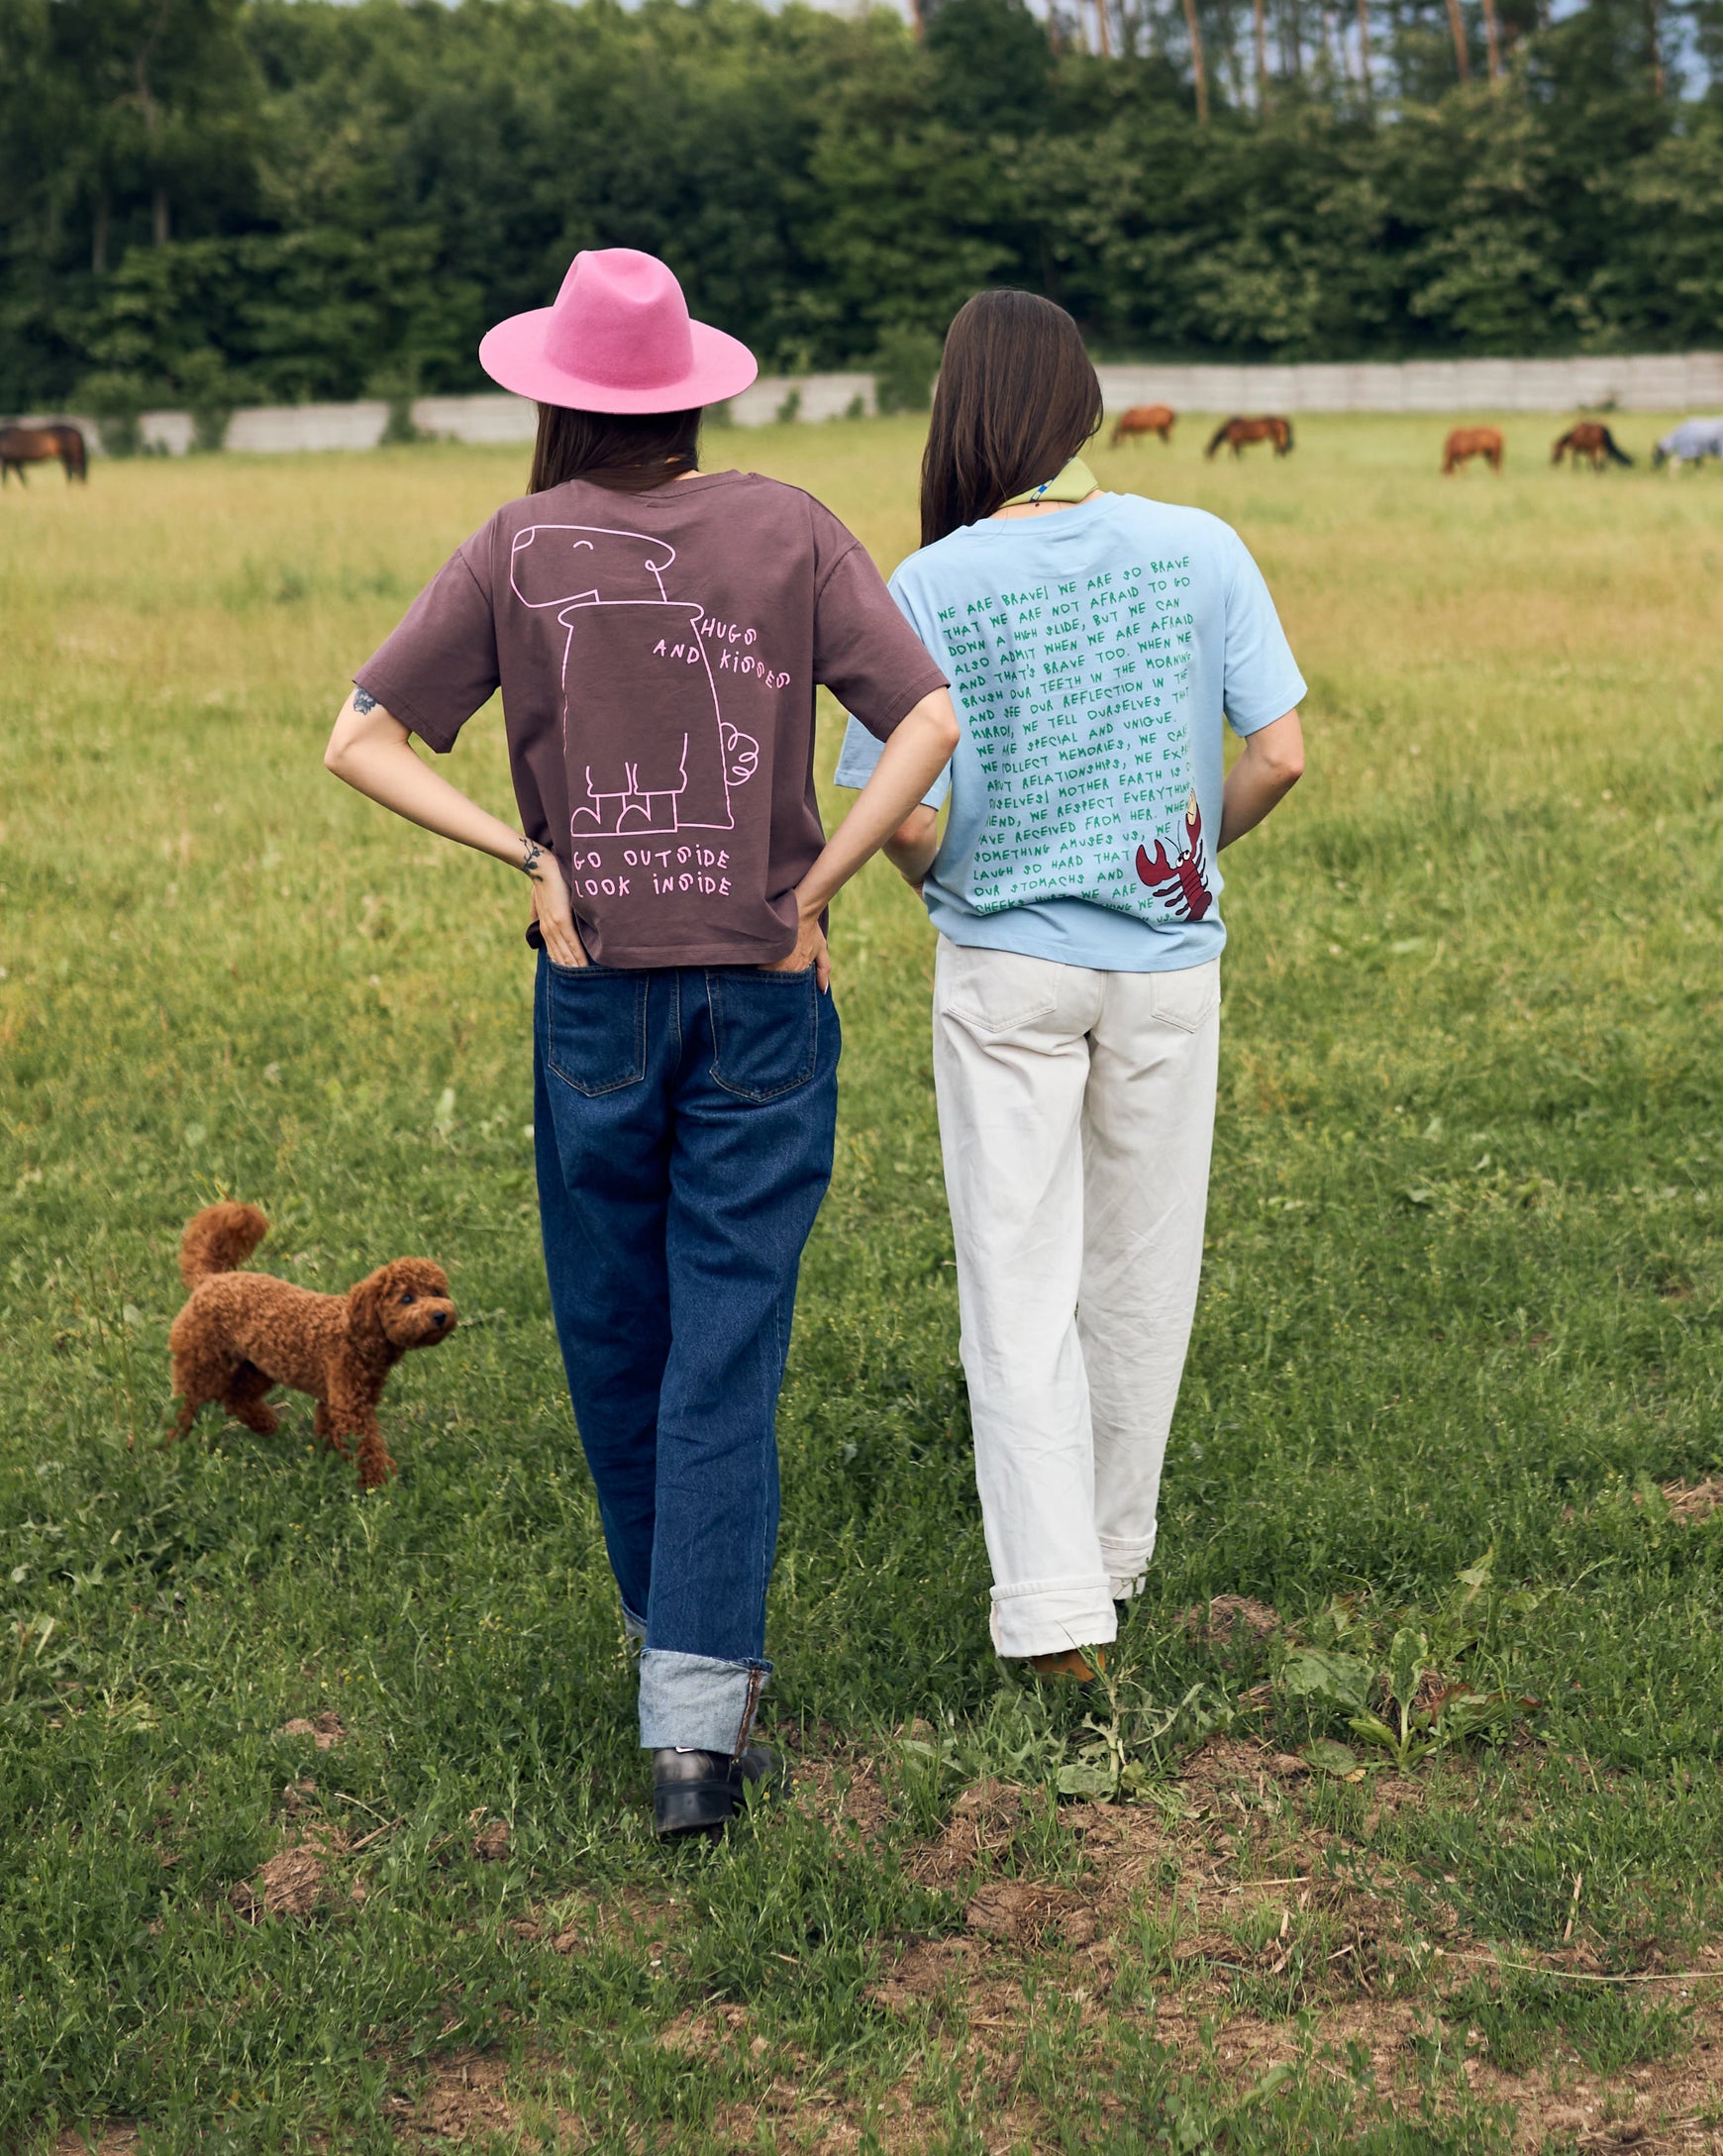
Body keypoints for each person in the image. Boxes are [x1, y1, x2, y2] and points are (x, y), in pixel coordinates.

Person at [325, 248, 958, 1838]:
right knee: (725, 1341)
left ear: (552, 392)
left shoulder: (515, 544)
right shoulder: (794, 525)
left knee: (617, 1328)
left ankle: (674, 1651)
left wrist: (527, 861)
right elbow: (933, 716)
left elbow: (358, 740)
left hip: (596, 988)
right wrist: (815, 881)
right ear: (694, 391)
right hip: (763, 992)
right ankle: (697, 1715)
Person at [835, 290, 1305, 1679]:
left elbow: (899, 815)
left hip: (1008, 970)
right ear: (1088, 406)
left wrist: (956, 885)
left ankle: (1053, 1614)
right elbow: (1279, 754)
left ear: (963, 413)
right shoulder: (1203, 545)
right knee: (1142, 1271)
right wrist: (1175, 859)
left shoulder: (930, 582)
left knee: (1018, 1279)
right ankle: (1116, 1555)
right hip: (1167, 970)